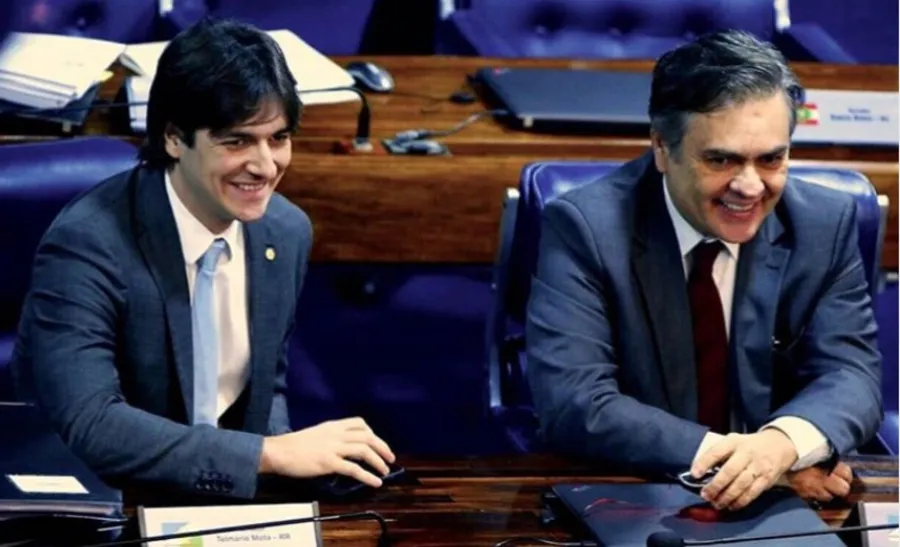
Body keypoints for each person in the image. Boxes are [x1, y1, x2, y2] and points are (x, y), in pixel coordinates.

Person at [11, 17, 394, 499]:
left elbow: (264, 386)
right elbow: (92, 424)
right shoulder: (87, 243)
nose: (265, 166)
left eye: (278, 139)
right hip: (104, 498)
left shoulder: (285, 231)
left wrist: (285, 479)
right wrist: (269, 455)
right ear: (174, 138)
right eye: (237, 141)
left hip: (222, 494)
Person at [525, 30, 882, 512]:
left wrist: (780, 447)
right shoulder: (586, 228)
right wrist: (750, 467)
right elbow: (575, 402)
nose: (750, 187)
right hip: (637, 495)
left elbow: (851, 375)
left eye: (771, 159)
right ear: (661, 147)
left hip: (788, 499)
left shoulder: (824, 224)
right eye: (721, 159)